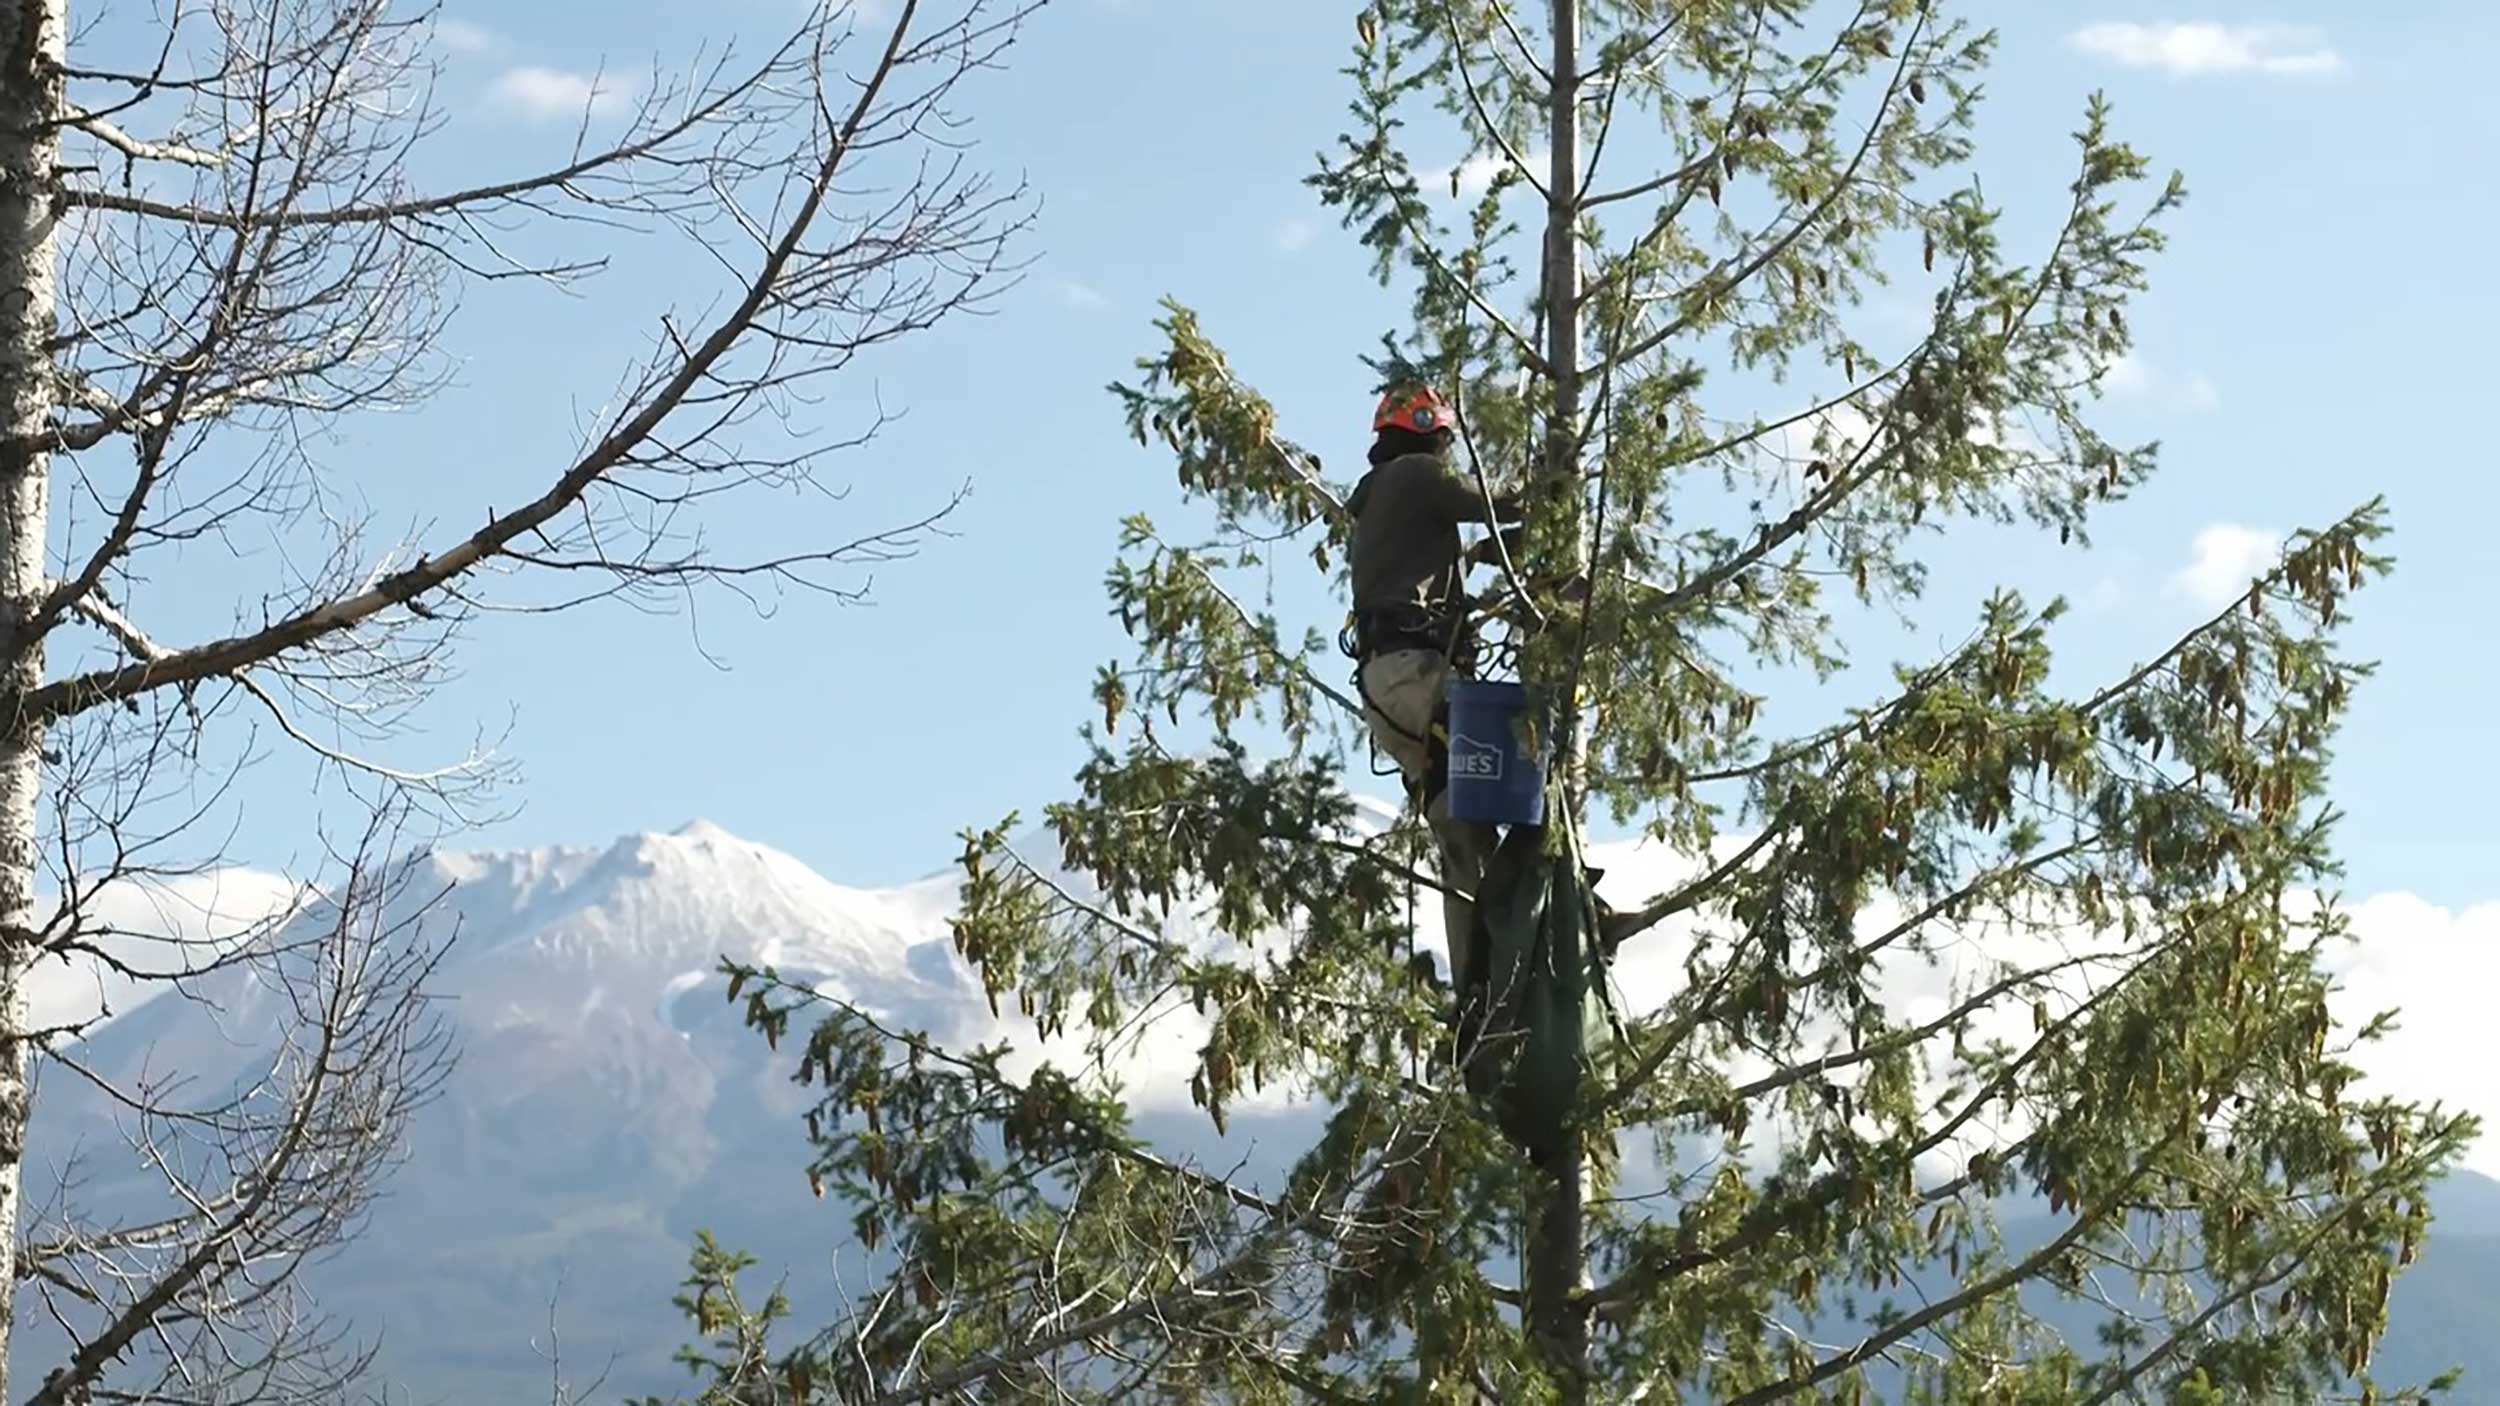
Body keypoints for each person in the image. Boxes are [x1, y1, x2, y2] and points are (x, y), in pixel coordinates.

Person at [1344, 384, 1524, 996]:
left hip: (1385, 682)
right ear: (1434, 434)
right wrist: (1553, 486)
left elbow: (1442, 557)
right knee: (1508, 797)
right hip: (1420, 672)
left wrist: (1489, 556)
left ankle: (1477, 983)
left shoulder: (1380, 499)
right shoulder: (1418, 475)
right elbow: (1494, 502)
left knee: (1458, 828)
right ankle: (1505, 969)